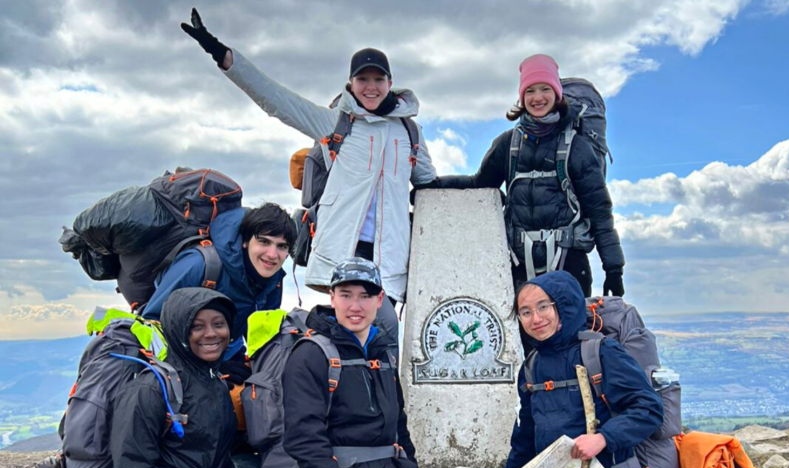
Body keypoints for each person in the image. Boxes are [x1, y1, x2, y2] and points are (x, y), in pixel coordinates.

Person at [181, 9, 438, 347]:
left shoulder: (409, 131)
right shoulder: (336, 123)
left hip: (389, 257)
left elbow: (429, 184)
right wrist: (223, 55)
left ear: (390, 83)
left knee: (381, 338)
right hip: (343, 251)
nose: (371, 87)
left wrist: (478, 183)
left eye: (378, 79)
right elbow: (277, 101)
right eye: (363, 79)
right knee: (364, 332)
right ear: (351, 84)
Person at [419, 54, 624, 297]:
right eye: (530, 91)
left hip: (569, 263)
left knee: (567, 323)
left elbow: (599, 211)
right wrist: (431, 186)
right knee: (522, 322)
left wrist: (614, 268)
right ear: (521, 96)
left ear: (557, 94)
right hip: (518, 266)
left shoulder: (577, 148)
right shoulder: (508, 144)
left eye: (545, 89)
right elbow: (480, 184)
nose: (538, 98)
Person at [479, 271, 662, 468]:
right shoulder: (532, 366)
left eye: (543, 307)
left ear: (564, 306)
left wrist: (603, 438)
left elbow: (649, 408)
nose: (535, 319)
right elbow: (527, 429)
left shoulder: (600, 353)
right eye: (526, 312)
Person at [281, 258, 445, 468]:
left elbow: (397, 427)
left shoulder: (384, 355)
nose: (355, 306)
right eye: (346, 295)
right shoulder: (311, 355)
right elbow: (305, 439)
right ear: (332, 297)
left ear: (380, 299)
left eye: (365, 296)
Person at [110, 287, 238, 468]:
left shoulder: (215, 381)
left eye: (219, 324)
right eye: (197, 326)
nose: (211, 333)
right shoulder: (150, 389)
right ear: (178, 329)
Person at [144, 201, 296, 368]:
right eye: (264, 242)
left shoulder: (273, 281)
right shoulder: (199, 265)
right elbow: (151, 323)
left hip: (227, 357)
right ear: (245, 241)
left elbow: (262, 336)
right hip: (181, 365)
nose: (272, 254)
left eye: (282, 246)